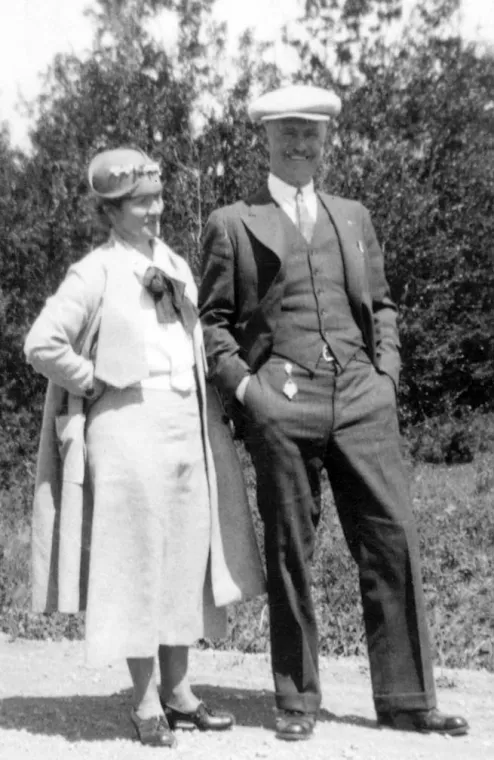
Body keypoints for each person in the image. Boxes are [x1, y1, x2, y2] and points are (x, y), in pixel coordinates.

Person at [198, 85, 469, 742]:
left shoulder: (353, 215)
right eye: (288, 133)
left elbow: (380, 306)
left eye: (311, 135)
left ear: (327, 143)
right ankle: (296, 702)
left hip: (362, 400)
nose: (300, 145)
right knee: (292, 551)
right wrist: (249, 395)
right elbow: (212, 325)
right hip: (282, 407)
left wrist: (388, 377)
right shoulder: (235, 222)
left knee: (392, 538)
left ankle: (407, 698)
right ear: (265, 138)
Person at [25, 147, 264, 748]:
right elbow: (41, 343)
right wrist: (89, 378)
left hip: (186, 422)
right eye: (141, 202)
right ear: (112, 210)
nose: (156, 210)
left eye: (158, 198)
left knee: (185, 559)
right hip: (127, 428)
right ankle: (145, 701)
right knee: (136, 565)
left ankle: (180, 692)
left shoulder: (174, 262)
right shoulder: (94, 272)